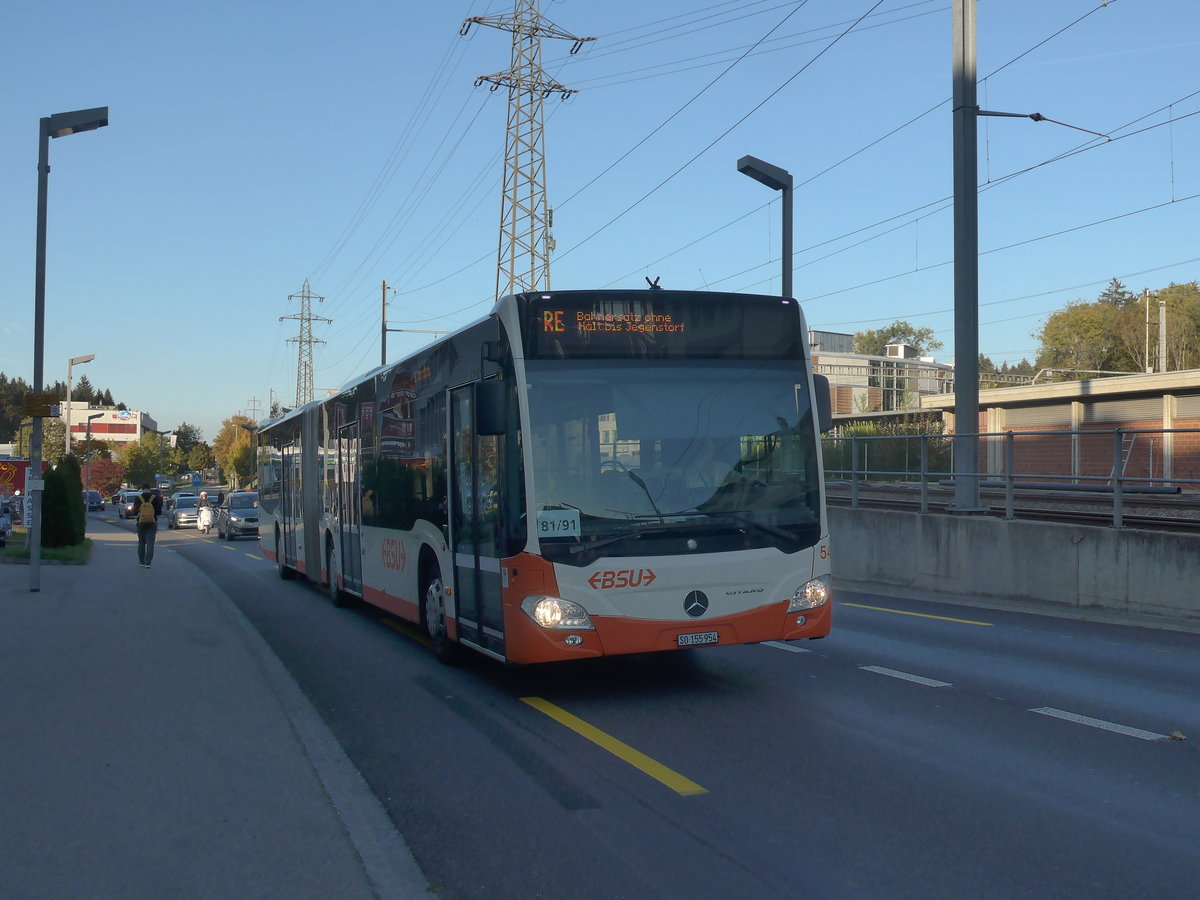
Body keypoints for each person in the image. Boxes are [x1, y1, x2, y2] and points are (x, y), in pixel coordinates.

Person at [131, 483, 163, 569]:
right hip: (152, 522)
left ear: (142, 489)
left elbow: (134, 512)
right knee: (150, 543)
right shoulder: (154, 498)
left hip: (141, 522)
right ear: (150, 489)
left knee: (141, 542)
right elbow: (159, 512)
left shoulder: (139, 498)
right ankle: (148, 562)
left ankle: (141, 561)